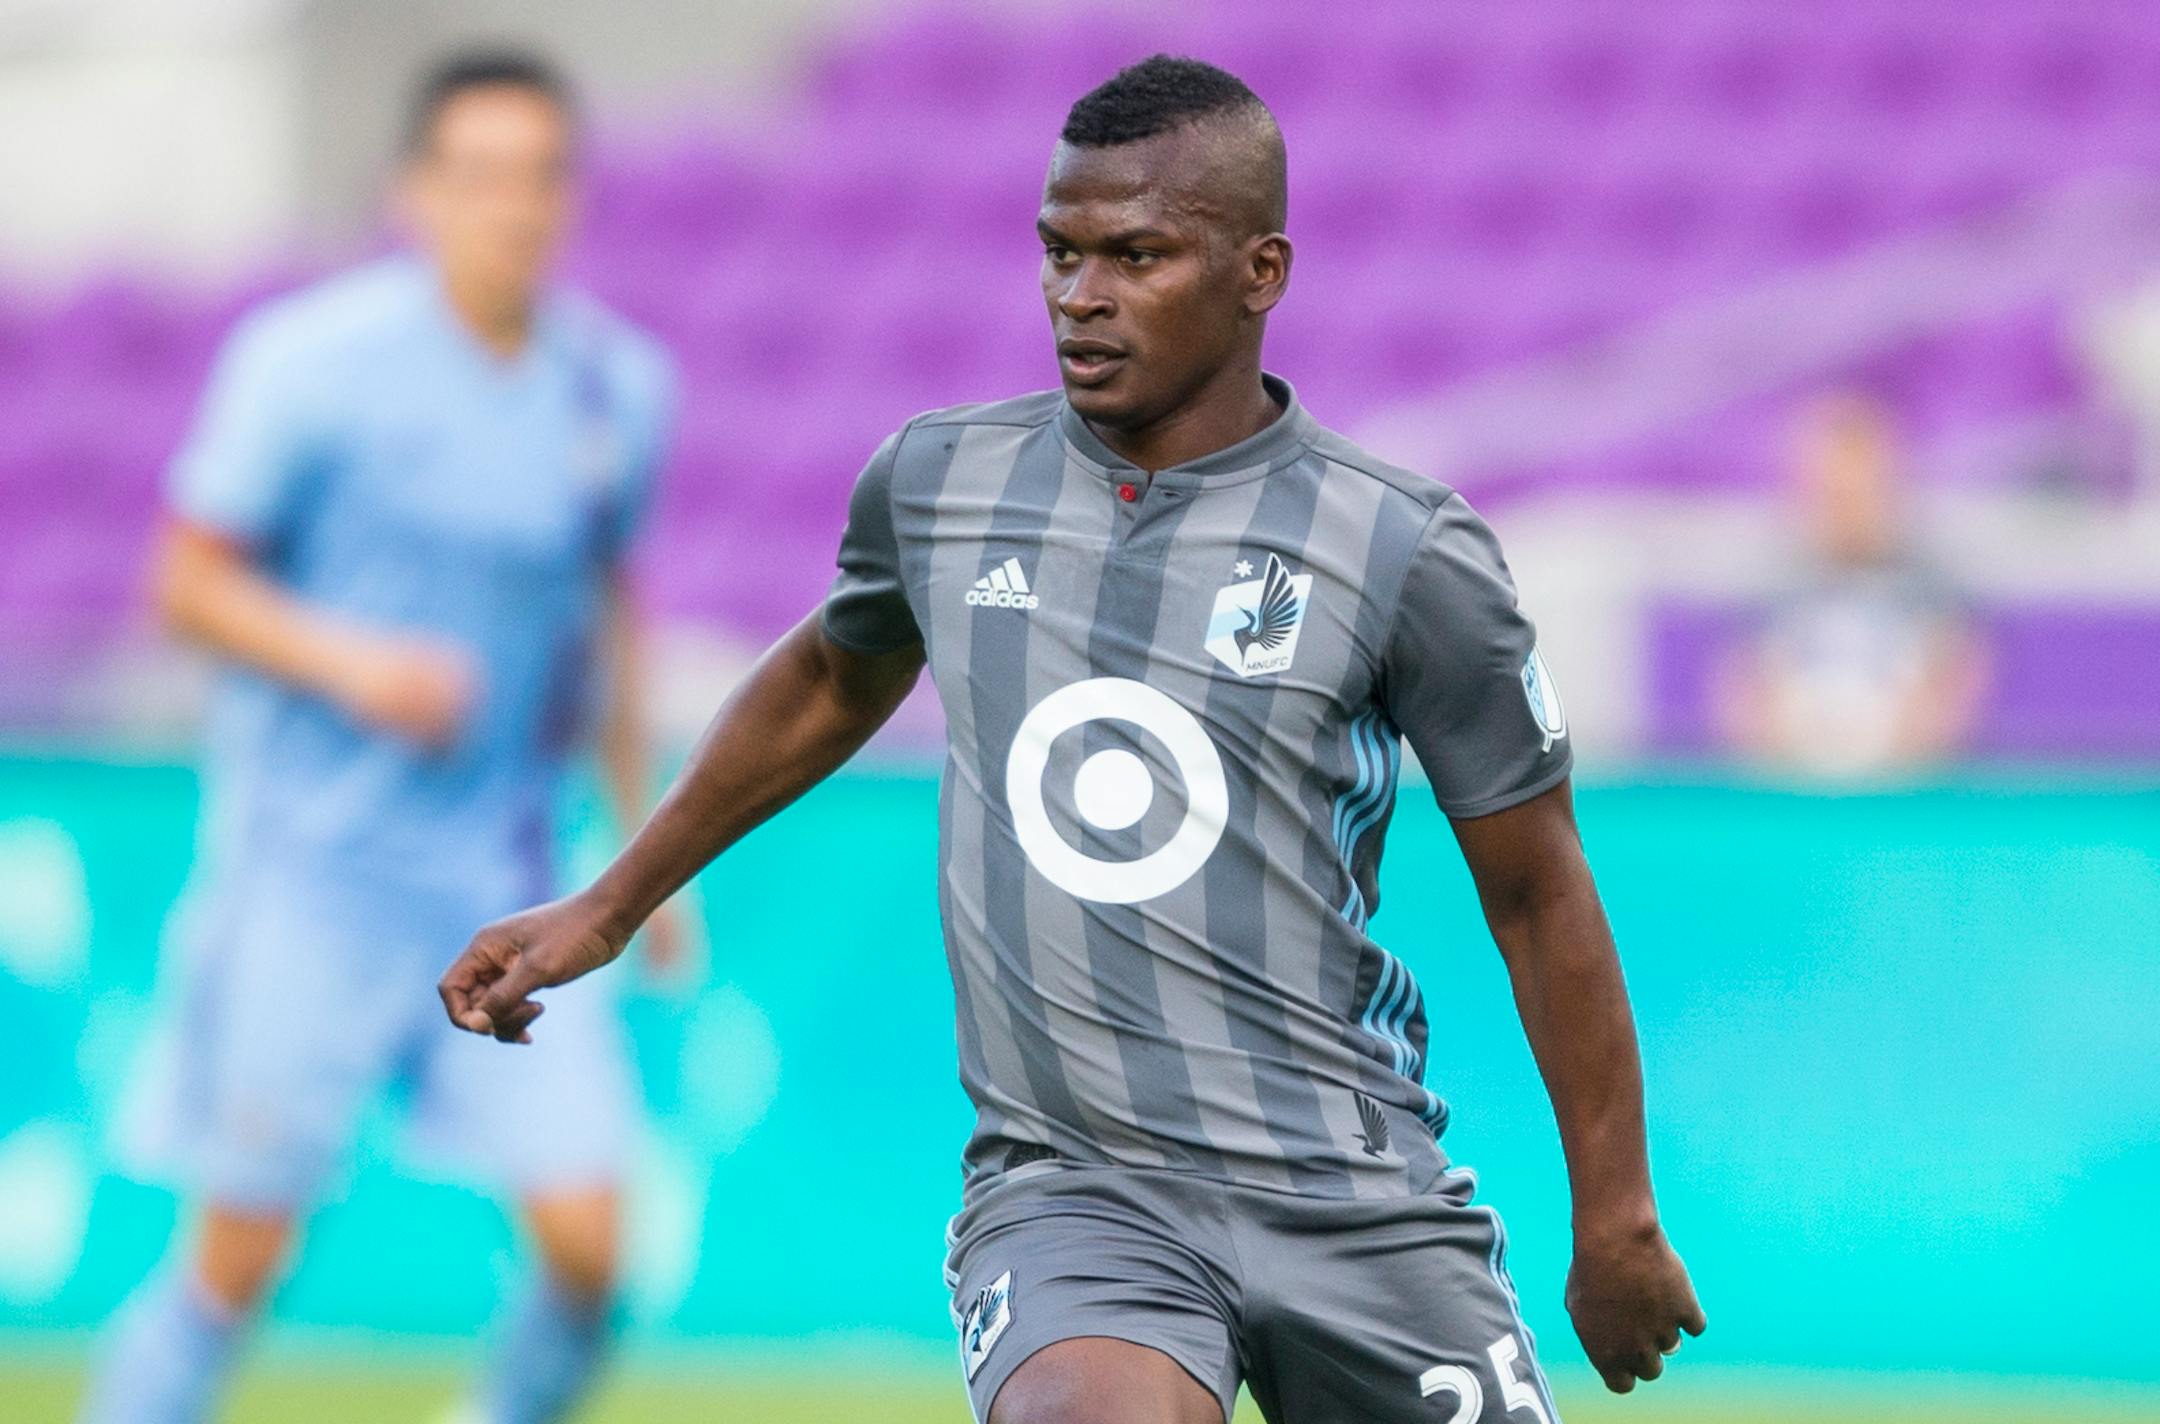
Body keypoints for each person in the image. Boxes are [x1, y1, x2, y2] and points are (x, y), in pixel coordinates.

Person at [442, 55, 1702, 1424]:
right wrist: (610, 907)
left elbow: (1537, 888)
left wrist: (1617, 1213)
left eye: (1136, 256)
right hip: (1076, 1195)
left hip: (1351, 1194)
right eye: (1059, 252)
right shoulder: (941, 484)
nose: (1079, 296)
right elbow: (824, 680)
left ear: (1260, 271)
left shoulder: (1403, 550)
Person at [80, 50, 686, 1424]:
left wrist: (654, 863)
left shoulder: (614, 393)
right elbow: (185, 580)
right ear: (415, 192)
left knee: (593, 1247)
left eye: (539, 176)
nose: (512, 207)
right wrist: (355, 662)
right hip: (318, 871)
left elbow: (613, 627)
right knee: (241, 1254)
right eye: (478, 176)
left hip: (513, 879)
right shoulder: (309, 364)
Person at [1717, 391, 1989, 777]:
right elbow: (1742, 697)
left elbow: (1957, 687)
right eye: (1830, 490)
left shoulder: (1929, 590)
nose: (1843, 505)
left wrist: (1902, 743)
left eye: (1856, 488)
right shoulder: (1773, 590)